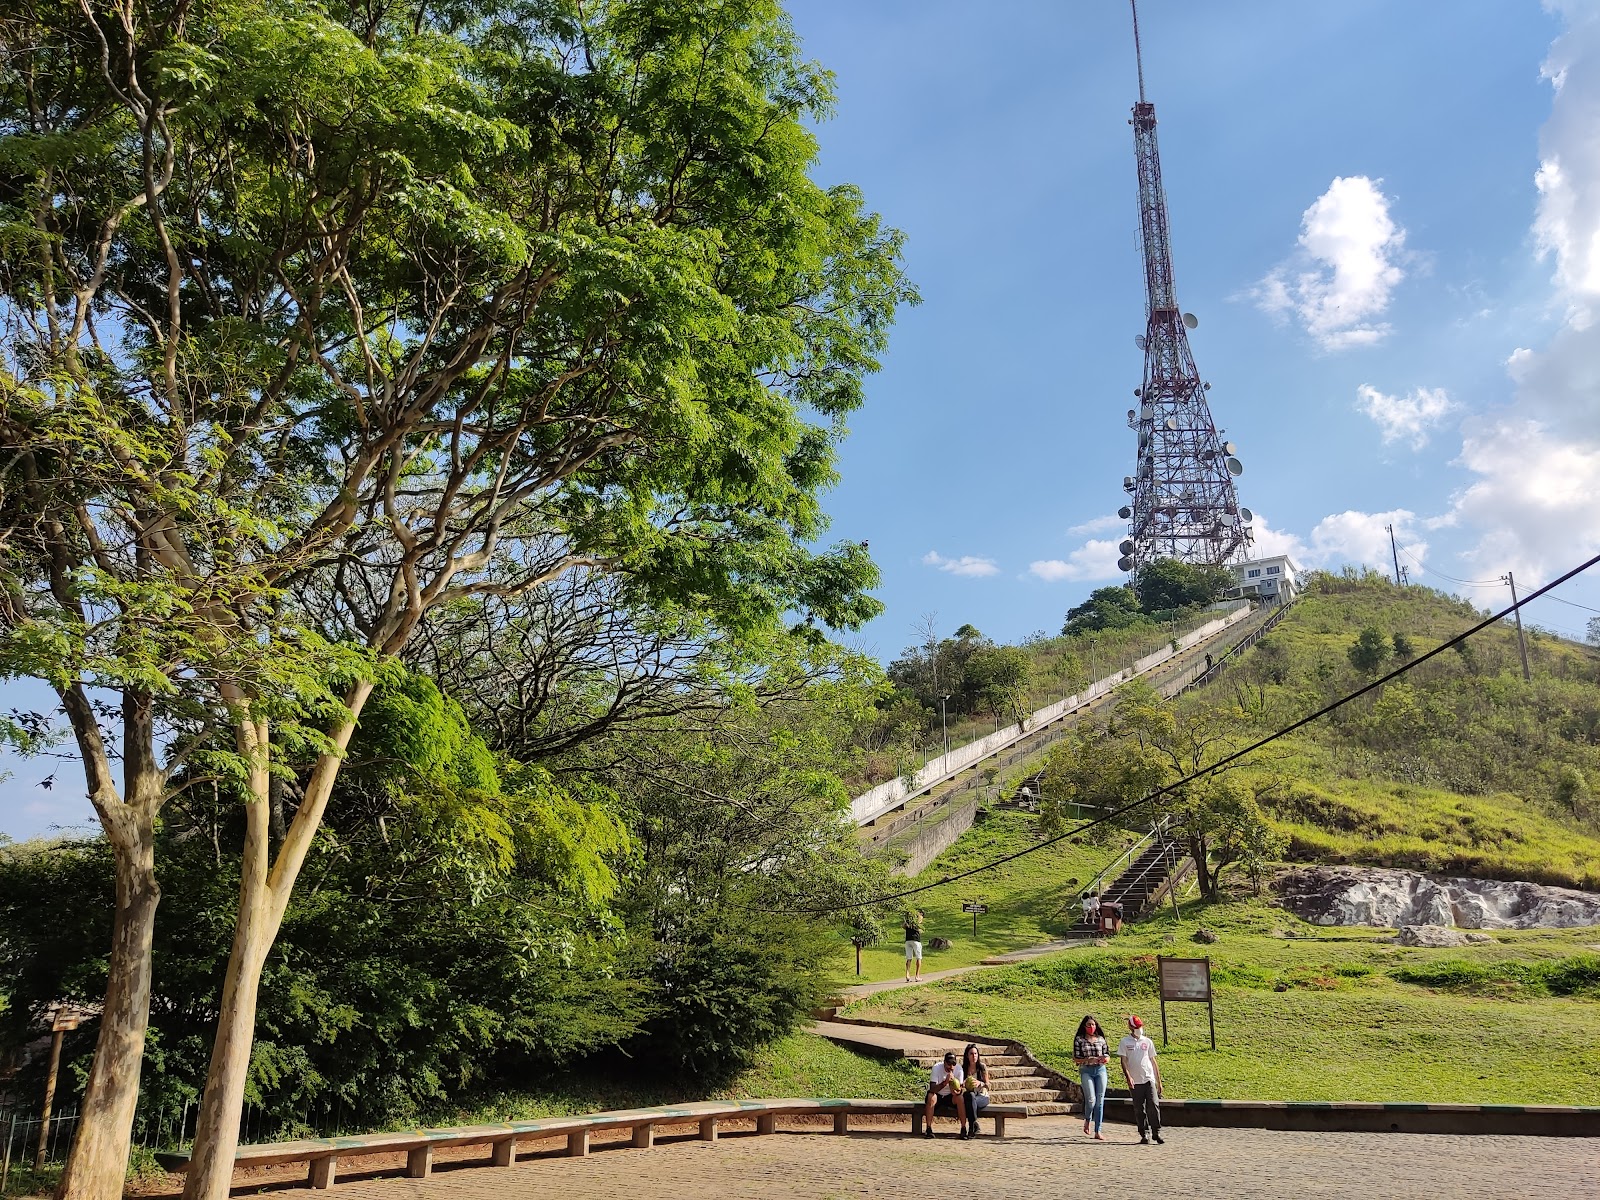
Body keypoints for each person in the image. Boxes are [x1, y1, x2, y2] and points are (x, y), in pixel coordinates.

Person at [1118, 1014, 1163, 1144]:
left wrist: (1159, 1081)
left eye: (1140, 1027)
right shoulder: (1125, 1042)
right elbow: (1124, 1061)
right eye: (1136, 1027)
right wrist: (1128, 1076)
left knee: (1154, 1105)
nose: (1139, 1029)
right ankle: (1144, 1133)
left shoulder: (1147, 1041)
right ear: (1131, 1028)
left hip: (1149, 1078)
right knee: (1139, 1108)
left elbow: (1153, 1061)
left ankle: (1156, 1132)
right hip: (1135, 1081)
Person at [1073, 1014, 1111, 1140]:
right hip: (1086, 1070)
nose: (1091, 1027)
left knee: (1100, 1100)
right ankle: (1088, 1119)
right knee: (1091, 1100)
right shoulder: (1079, 1040)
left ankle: (1098, 1130)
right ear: (1084, 1026)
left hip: (1100, 1070)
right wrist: (1087, 1059)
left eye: (1093, 1024)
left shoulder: (1100, 1039)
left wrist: (1105, 1059)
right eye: (1089, 1025)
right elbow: (1076, 1059)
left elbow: (1108, 1054)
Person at [923, 1050, 963, 1138]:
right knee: (931, 1096)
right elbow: (932, 1088)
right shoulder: (937, 1068)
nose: (951, 1067)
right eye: (949, 1064)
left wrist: (956, 1090)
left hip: (950, 1096)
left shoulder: (959, 1069)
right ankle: (928, 1128)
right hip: (938, 1095)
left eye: (953, 1064)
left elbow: (960, 1089)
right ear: (944, 1063)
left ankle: (963, 1128)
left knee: (960, 1098)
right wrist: (945, 1083)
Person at [958, 1043, 991, 1139]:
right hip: (970, 1096)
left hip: (982, 1096)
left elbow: (988, 1085)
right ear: (967, 1056)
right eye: (971, 1054)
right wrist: (963, 1084)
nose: (974, 1056)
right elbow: (960, 1087)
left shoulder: (982, 1067)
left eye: (976, 1054)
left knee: (971, 1102)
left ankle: (972, 1127)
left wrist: (980, 1083)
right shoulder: (963, 1069)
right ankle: (973, 1126)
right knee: (970, 1096)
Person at [904, 909, 924, 982]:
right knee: (918, 958)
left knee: (909, 958)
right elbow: (919, 924)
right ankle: (917, 976)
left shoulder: (908, 920)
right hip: (916, 940)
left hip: (908, 940)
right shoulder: (919, 918)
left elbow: (903, 926)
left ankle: (907, 974)